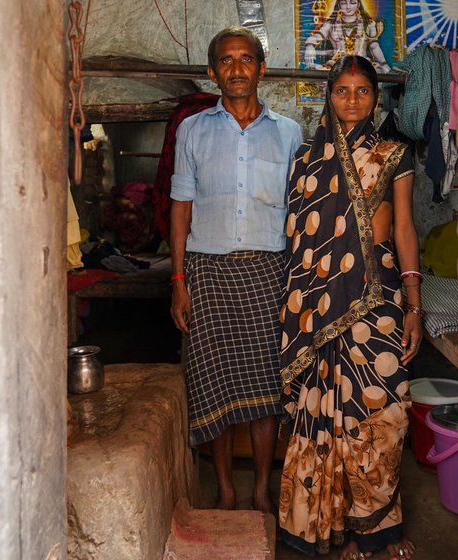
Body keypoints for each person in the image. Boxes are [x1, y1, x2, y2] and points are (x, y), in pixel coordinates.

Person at [278, 55, 421, 560]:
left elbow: (403, 228)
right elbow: (299, 242)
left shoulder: (393, 154)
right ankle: (336, 533)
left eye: (363, 91)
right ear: (329, 96)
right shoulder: (305, 161)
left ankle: (379, 525)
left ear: (375, 97)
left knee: (384, 410)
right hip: (317, 306)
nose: (353, 100)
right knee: (325, 415)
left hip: (378, 298)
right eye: (343, 90)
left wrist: (414, 304)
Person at [169, 27, 302, 514]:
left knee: (267, 387)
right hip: (207, 271)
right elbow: (180, 209)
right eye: (227, 61)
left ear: (261, 69)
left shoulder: (289, 133)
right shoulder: (193, 130)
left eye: (247, 59)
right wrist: (179, 282)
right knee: (214, 385)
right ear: (212, 72)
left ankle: (261, 490)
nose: (238, 69)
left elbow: (298, 213)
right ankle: (225, 489)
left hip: (270, 272)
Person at [303, 0, 391, 73]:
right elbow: (317, 37)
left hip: (362, 66)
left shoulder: (369, 24)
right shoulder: (331, 24)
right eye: (344, 3)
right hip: (337, 66)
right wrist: (309, 45)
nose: (348, 7)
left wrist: (383, 64)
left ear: (358, 5)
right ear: (339, 5)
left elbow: (374, 47)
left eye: (352, 2)